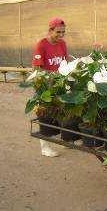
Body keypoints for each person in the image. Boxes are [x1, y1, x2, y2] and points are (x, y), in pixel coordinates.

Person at [32, 17, 67, 157]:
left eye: (63, 32)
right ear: (50, 30)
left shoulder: (62, 44)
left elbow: (64, 63)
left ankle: (65, 138)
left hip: (59, 85)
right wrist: (51, 78)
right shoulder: (41, 45)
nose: (61, 35)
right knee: (45, 115)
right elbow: (37, 69)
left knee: (61, 111)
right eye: (58, 32)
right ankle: (45, 147)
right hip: (45, 86)